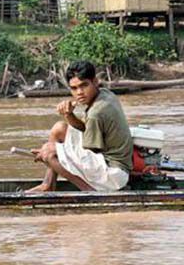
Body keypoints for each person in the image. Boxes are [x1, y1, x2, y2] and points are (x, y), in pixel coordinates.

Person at [29, 61, 133, 192]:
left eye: (84, 85)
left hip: (113, 173)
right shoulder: (105, 94)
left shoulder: (96, 113)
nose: (79, 92)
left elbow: (90, 150)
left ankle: (88, 191)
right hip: (106, 159)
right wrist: (69, 115)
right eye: (74, 88)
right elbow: (86, 129)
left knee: (49, 152)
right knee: (59, 129)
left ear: (95, 82)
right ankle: (48, 184)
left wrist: (54, 153)